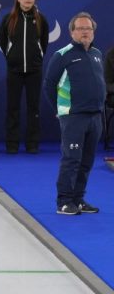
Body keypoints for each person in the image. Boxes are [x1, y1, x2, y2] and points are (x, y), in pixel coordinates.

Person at [43, 12, 105, 215]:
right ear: (72, 32)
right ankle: (63, 201)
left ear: (93, 32)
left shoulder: (96, 54)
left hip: (95, 116)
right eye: (80, 28)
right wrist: (61, 112)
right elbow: (49, 85)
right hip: (73, 117)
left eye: (88, 28)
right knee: (71, 159)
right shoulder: (62, 55)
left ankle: (78, 199)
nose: (85, 32)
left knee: (87, 161)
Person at [0, 0, 49, 154]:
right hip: (14, 71)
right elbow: (3, 43)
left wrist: (37, 59)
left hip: (35, 71)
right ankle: (12, 144)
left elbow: (44, 43)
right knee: (12, 107)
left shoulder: (41, 20)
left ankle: (32, 144)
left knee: (33, 108)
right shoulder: (8, 19)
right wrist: (12, 58)